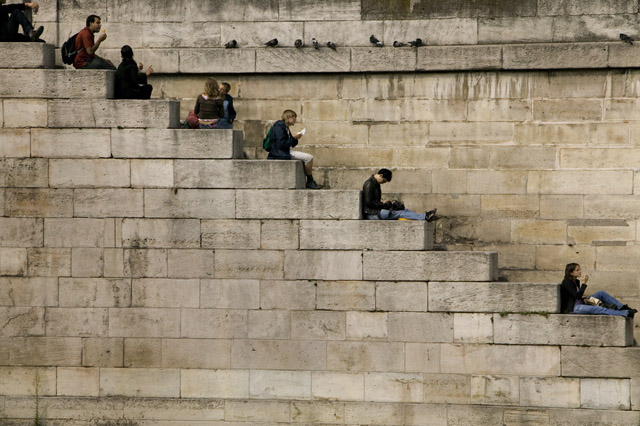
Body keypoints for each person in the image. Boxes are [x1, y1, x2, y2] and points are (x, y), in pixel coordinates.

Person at [267, 109, 320, 189]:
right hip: (281, 153)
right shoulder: (279, 127)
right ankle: (310, 181)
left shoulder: (285, 127)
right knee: (309, 158)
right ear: (288, 117)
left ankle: (310, 181)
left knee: (306, 158)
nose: (295, 119)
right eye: (293, 117)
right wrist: (294, 137)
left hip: (286, 151)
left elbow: (290, 143)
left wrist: (296, 137)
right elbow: (283, 144)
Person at [560, 263, 636, 318]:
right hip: (574, 308)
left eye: (579, 269)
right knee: (598, 308)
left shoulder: (576, 281)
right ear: (571, 272)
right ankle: (625, 313)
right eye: (577, 270)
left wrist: (585, 299)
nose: (580, 271)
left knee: (601, 293)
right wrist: (584, 284)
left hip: (581, 302)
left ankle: (622, 307)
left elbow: (578, 297)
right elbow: (577, 296)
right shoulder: (566, 282)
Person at [363, 168, 437, 221]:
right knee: (400, 213)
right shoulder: (369, 184)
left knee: (404, 210)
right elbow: (369, 203)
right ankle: (425, 216)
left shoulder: (375, 183)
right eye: (384, 181)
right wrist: (383, 204)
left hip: (377, 211)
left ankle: (424, 216)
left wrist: (384, 203)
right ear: (380, 175)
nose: (383, 183)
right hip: (373, 214)